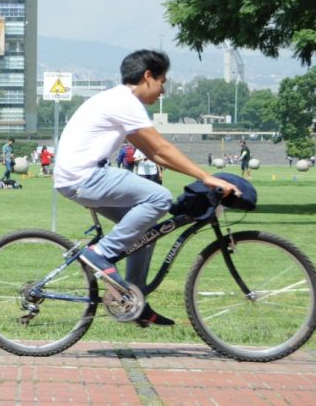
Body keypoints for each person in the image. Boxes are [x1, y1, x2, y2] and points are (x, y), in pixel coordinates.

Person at [53, 50, 236, 327]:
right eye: (163, 82)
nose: (163, 91)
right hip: (85, 177)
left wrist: (200, 175)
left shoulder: (118, 101)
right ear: (147, 76)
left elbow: (156, 155)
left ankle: (132, 300)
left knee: (145, 232)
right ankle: (100, 254)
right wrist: (206, 176)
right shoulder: (124, 102)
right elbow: (162, 146)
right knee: (159, 196)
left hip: (78, 178)